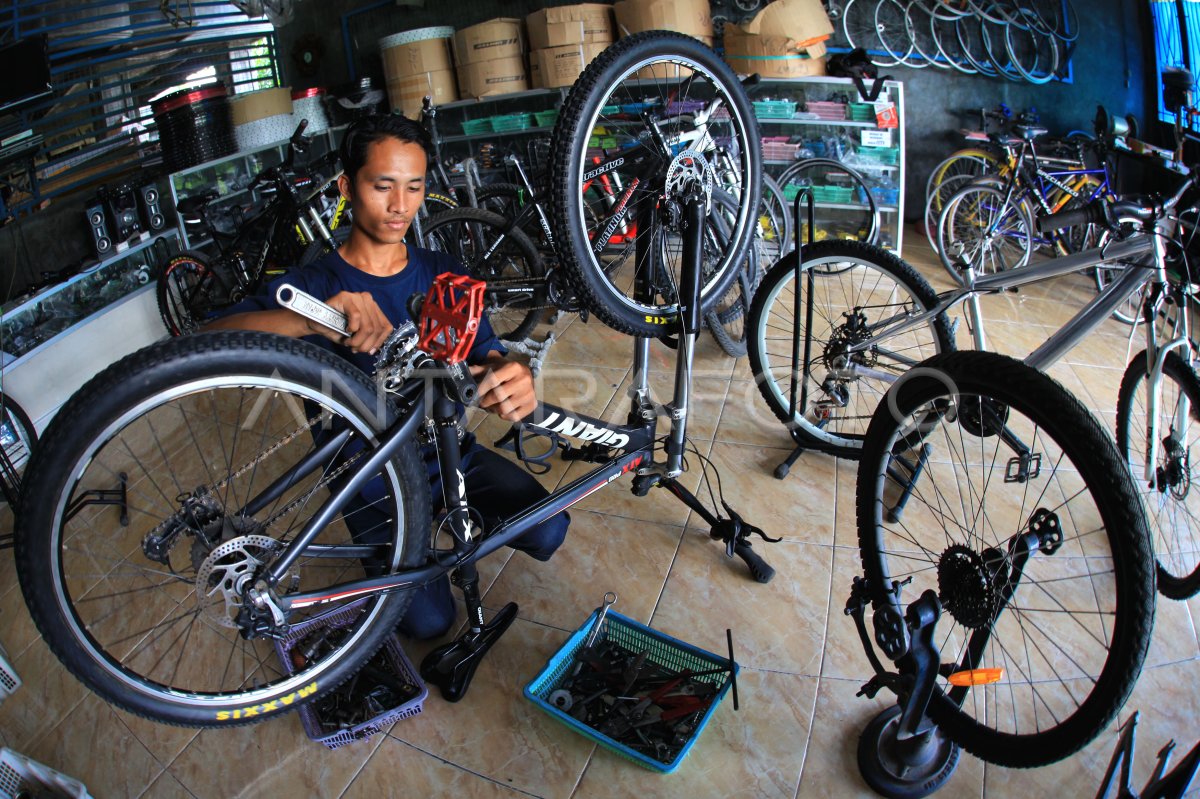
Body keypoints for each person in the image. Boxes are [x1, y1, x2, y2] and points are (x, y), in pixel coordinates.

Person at [205, 113, 569, 639]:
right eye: (383, 186)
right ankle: (408, 549)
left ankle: (451, 529)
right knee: (429, 623)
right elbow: (210, 339)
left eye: (415, 187)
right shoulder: (314, 283)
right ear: (346, 187)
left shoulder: (444, 271)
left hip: (448, 452)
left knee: (549, 529)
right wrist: (311, 317)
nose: (401, 206)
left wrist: (506, 373)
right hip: (370, 478)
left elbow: (486, 355)